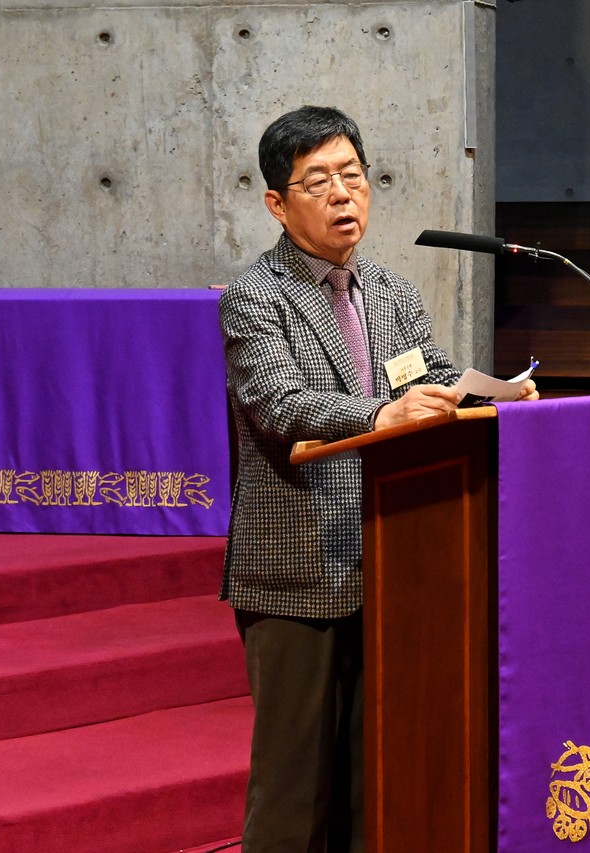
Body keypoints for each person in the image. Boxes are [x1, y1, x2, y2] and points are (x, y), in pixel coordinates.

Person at [218, 105, 536, 853]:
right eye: (319, 181)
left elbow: (430, 375)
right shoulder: (256, 296)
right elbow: (279, 403)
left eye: (353, 176)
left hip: (396, 562)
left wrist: (493, 393)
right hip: (298, 568)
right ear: (278, 203)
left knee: (376, 775)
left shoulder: (390, 292)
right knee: (296, 785)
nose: (343, 194)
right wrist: (379, 415)